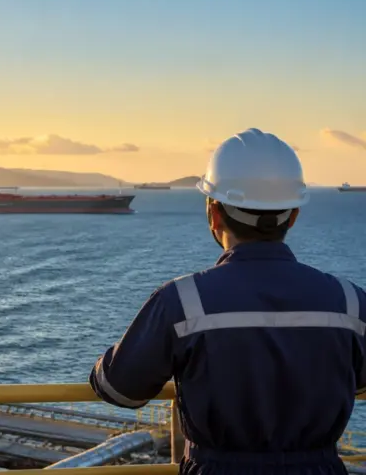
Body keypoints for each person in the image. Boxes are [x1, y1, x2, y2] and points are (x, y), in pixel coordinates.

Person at [88, 128, 366, 475]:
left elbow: (120, 389)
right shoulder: (350, 302)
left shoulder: (182, 301)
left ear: (214, 213)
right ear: (293, 215)